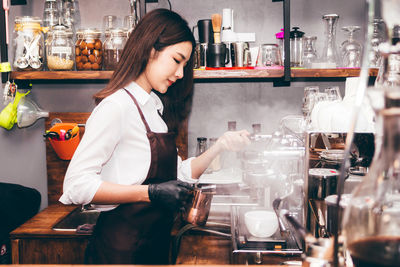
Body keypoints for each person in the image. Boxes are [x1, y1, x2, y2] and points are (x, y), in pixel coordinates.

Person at [60, 8, 250, 265]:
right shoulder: (116, 107)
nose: (181, 73)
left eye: (185, 65)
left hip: (153, 248)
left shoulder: (152, 109)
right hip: (121, 253)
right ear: (151, 50)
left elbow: (177, 175)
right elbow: (76, 186)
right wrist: (150, 193)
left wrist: (221, 146)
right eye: (177, 60)